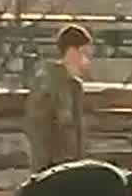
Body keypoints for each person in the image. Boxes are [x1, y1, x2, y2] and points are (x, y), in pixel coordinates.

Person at [25, 24, 92, 173]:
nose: (87, 62)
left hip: (70, 168)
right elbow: (39, 132)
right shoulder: (47, 84)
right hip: (52, 169)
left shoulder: (74, 87)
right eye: (84, 53)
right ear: (72, 52)